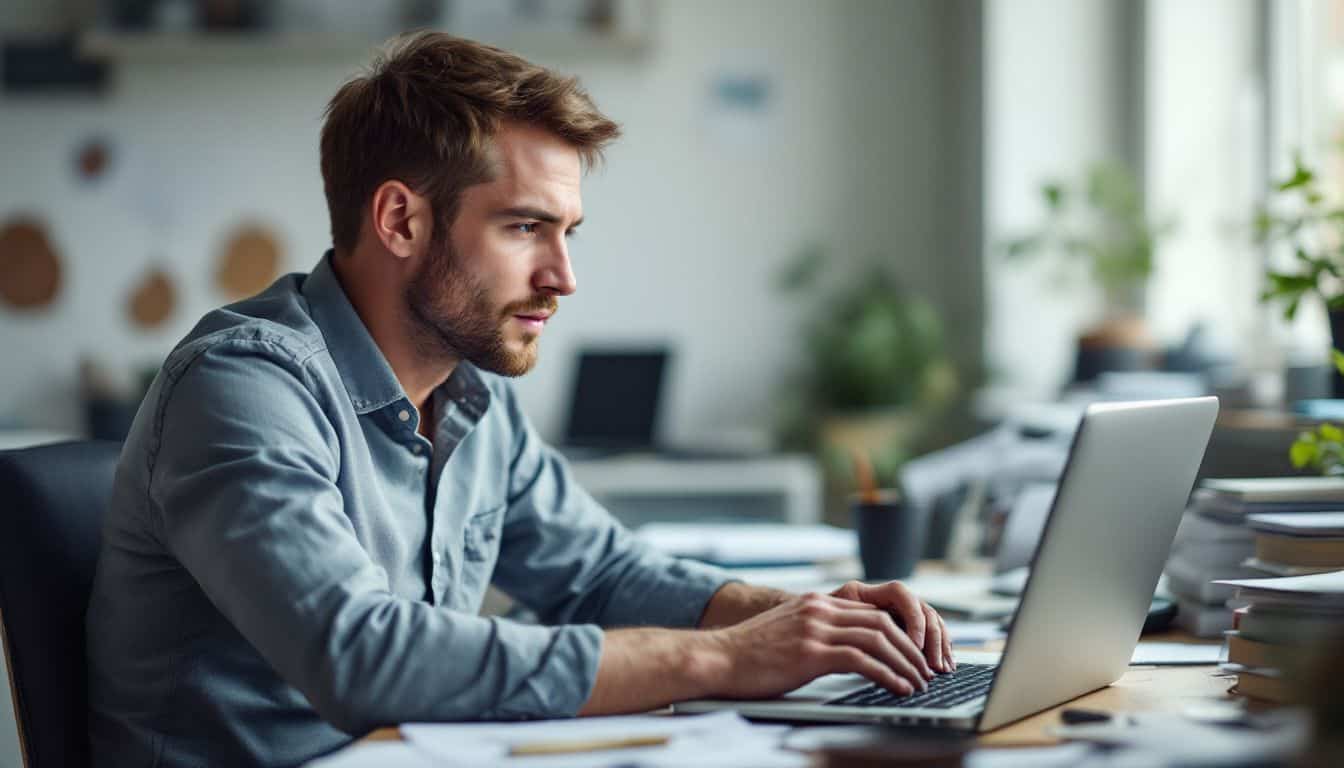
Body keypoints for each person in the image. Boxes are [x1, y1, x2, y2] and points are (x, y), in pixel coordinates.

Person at [85, 32, 954, 767]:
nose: (563, 278)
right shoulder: (242, 386)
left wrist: (800, 619)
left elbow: (599, 574)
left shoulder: (470, 395)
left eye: (566, 233)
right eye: (525, 227)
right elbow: (363, 658)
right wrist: (721, 658)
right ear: (399, 221)